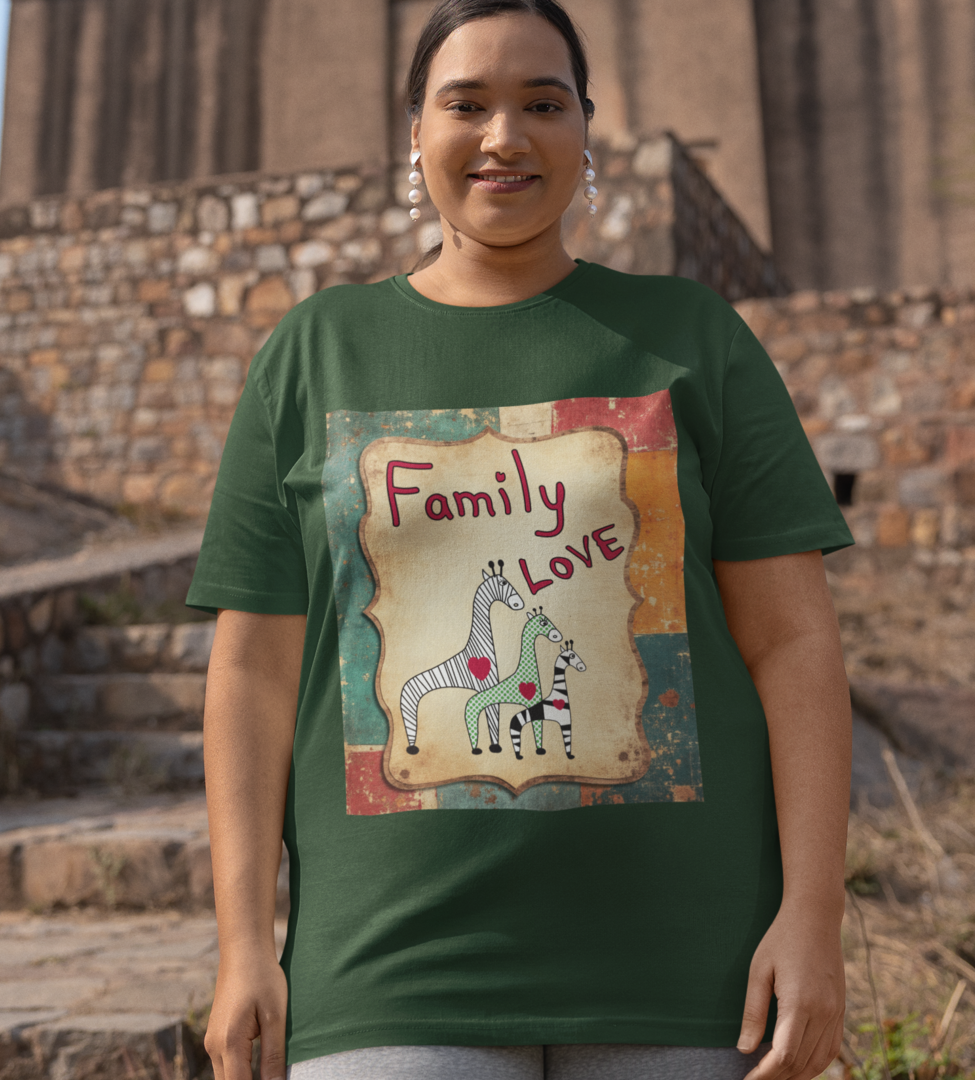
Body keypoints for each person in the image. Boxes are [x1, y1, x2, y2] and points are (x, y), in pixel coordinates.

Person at [189, 2, 854, 1078]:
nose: (506, 136)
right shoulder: (316, 354)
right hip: (389, 970)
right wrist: (241, 949)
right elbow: (253, 673)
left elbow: (794, 646)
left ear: (585, 130)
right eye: (468, 104)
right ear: (416, 132)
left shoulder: (694, 340)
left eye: (543, 103)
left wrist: (812, 922)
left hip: (683, 967)